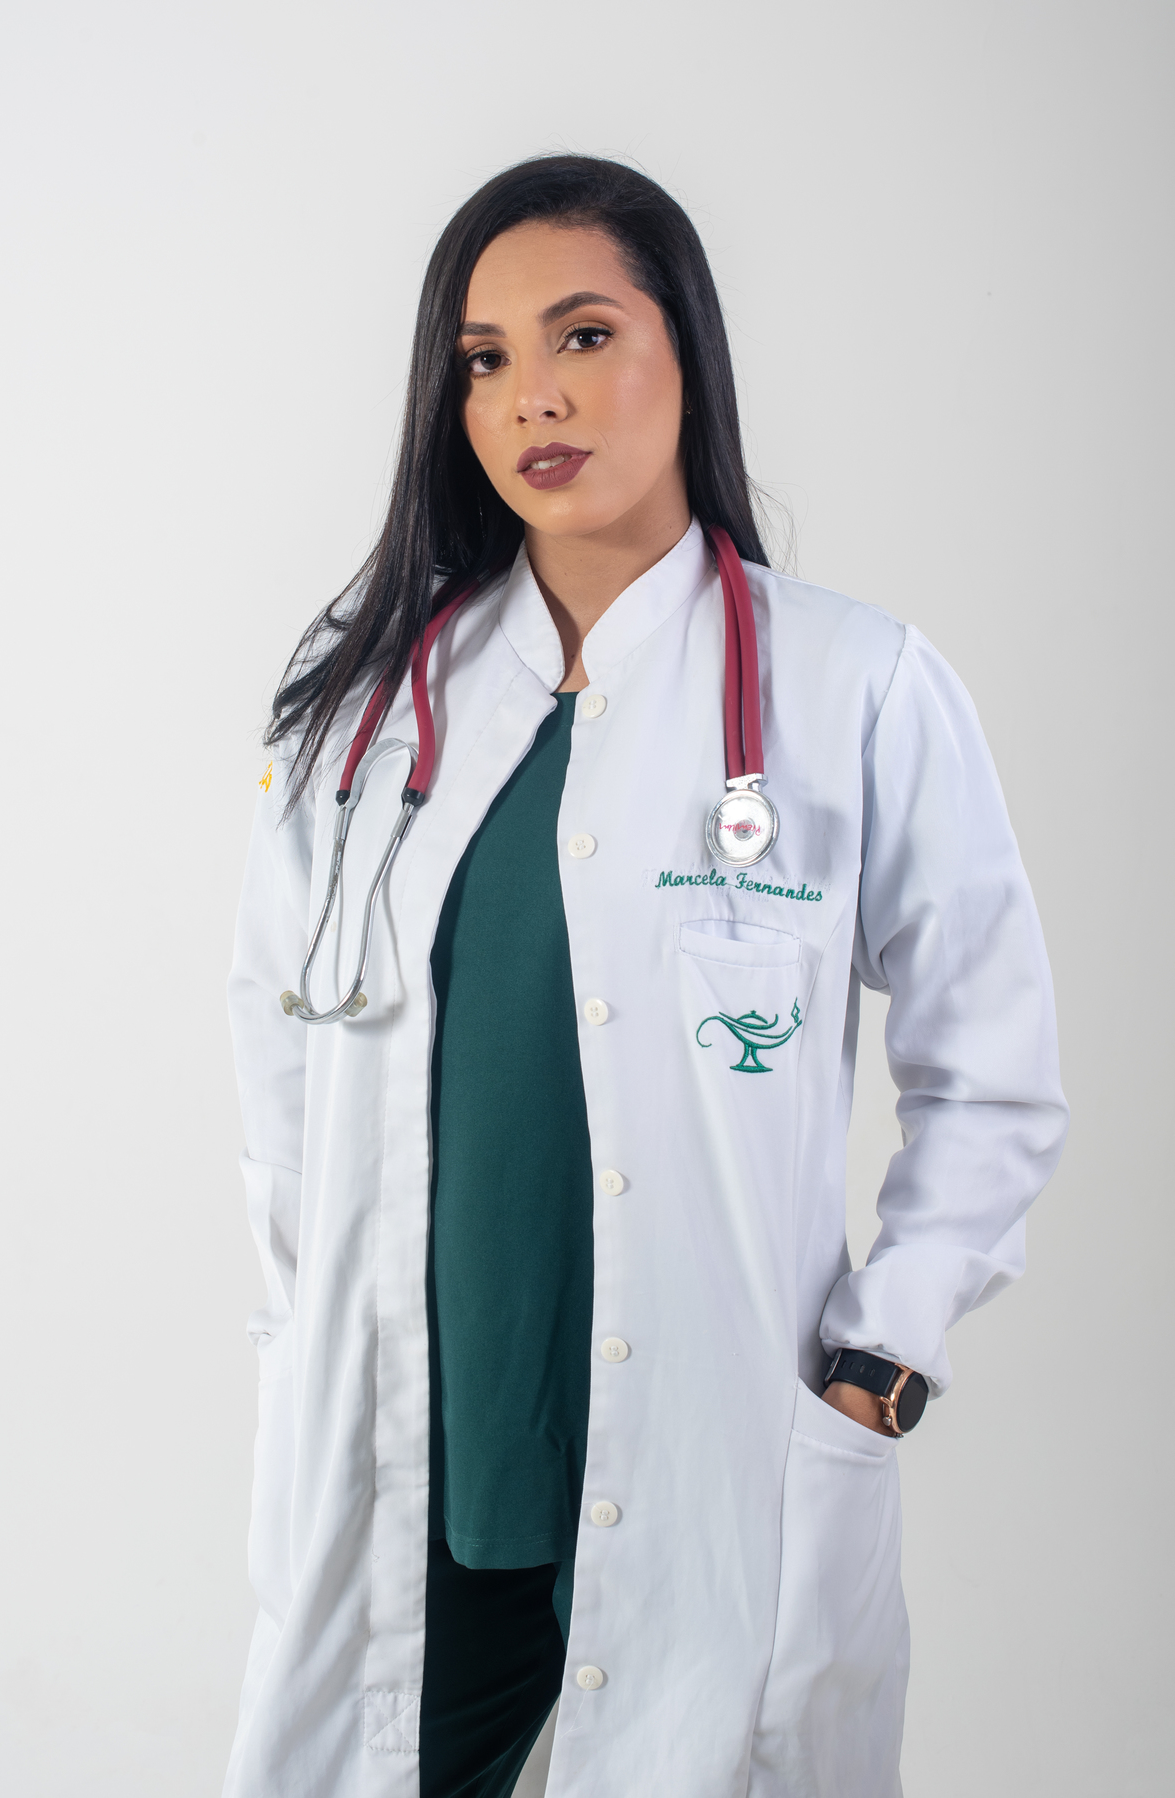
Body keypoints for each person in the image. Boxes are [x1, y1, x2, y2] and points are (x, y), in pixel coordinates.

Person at [224, 155, 1067, 1798]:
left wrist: (880, 1364)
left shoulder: (853, 685)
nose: (532, 395)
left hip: (720, 1451)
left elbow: (993, 1074)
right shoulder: (363, 708)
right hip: (414, 1443)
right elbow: (276, 1066)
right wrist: (296, 1334)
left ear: (689, 348)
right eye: (484, 360)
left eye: (585, 334)